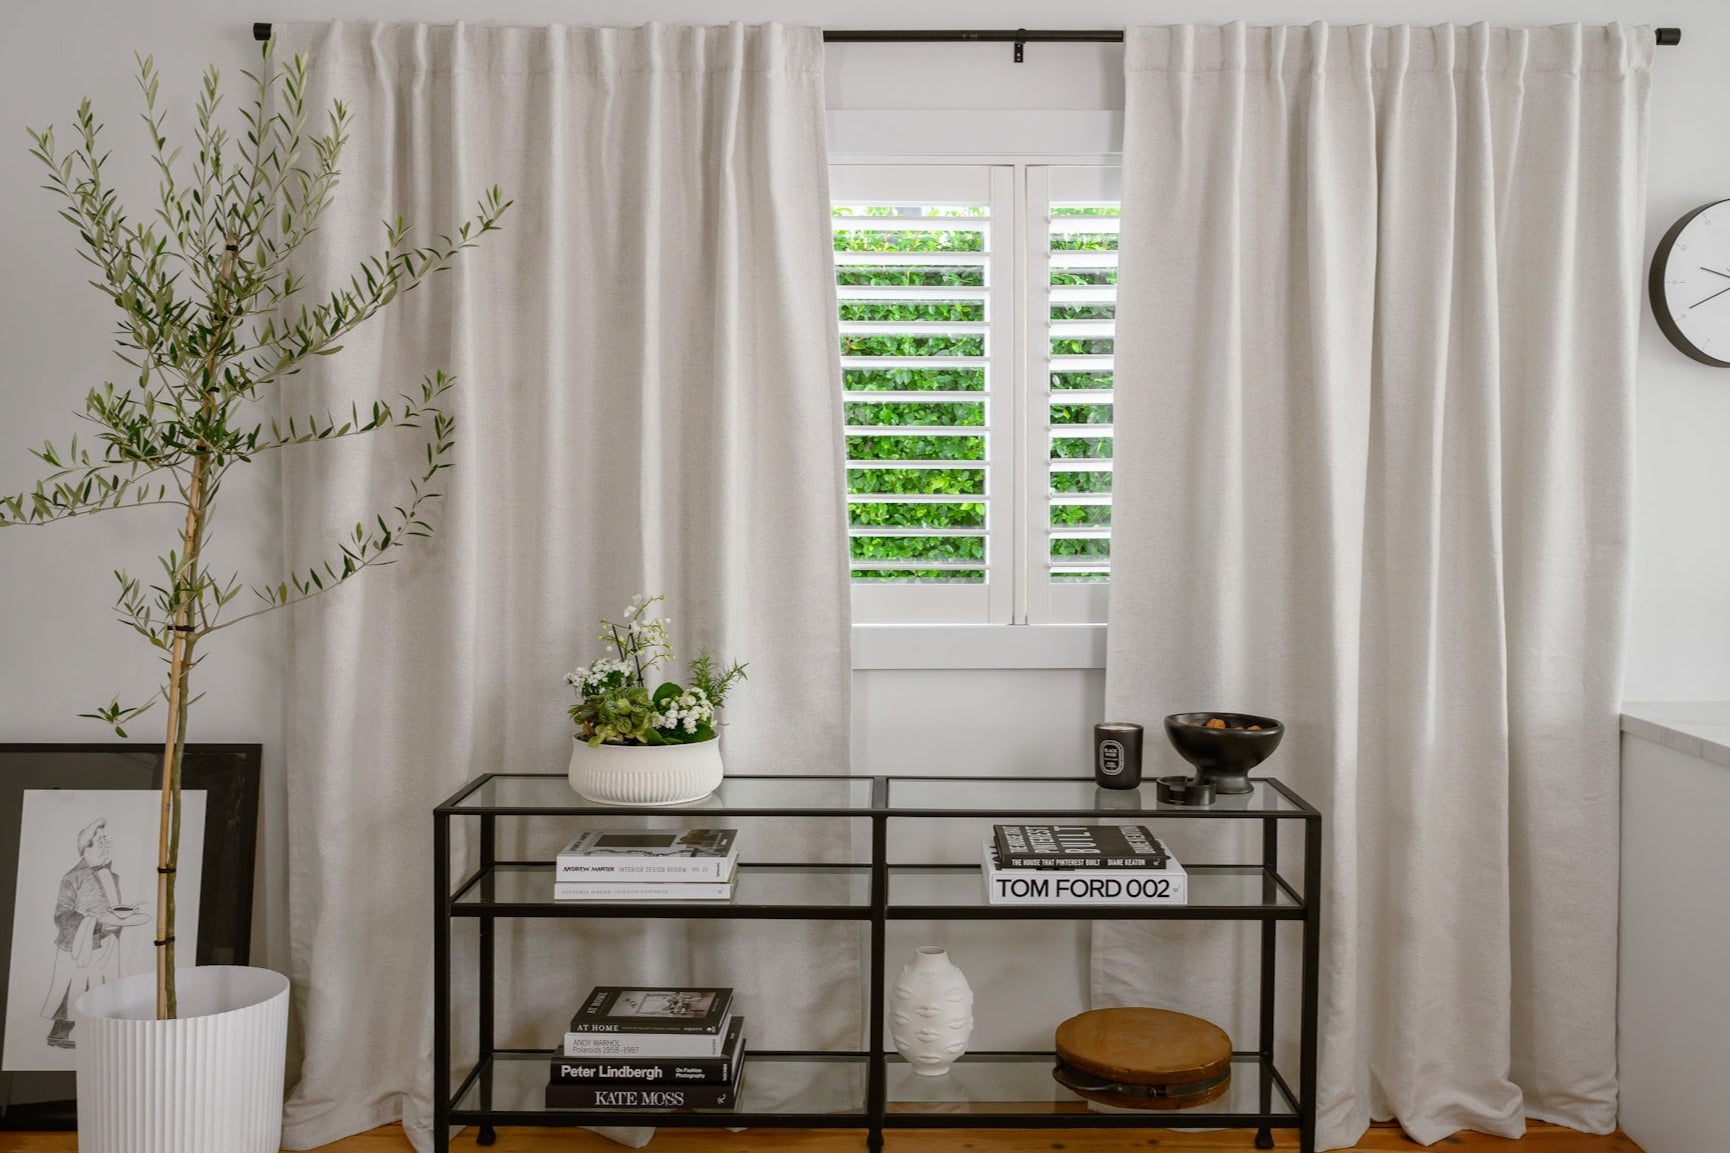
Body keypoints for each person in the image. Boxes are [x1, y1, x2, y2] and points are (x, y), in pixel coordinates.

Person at [40, 818, 150, 1048]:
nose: (106, 842)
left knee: (102, 989)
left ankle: (100, 1037)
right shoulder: (72, 878)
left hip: (107, 943)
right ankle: (59, 1034)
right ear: (86, 846)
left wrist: (121, 919)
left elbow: (110, 907)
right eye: (100, 839)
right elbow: (61, 916)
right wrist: (96, 926)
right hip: (78, 946)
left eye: (106, 838)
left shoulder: (114, 875)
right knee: (72, 988)